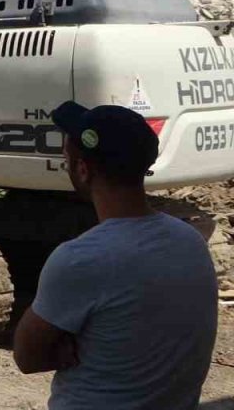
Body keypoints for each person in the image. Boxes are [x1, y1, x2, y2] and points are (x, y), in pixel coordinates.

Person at [13, 101, 218, 409]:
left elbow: (27, 357)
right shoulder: (190, 240)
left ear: (83, 170)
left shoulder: (80, 260)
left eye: (67, 157)